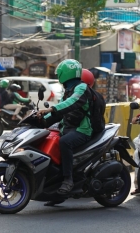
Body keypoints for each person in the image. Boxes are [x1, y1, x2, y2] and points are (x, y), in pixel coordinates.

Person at [36, 59, 93, 194]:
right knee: (48, 138)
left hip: (82, 130)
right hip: (68, 128)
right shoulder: (68, 90)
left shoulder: (82, 88)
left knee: (64, 142)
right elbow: (60, 113)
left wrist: (52, 109)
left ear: (65, 73)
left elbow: (71, 103)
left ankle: (68, 179)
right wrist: (41, 121)